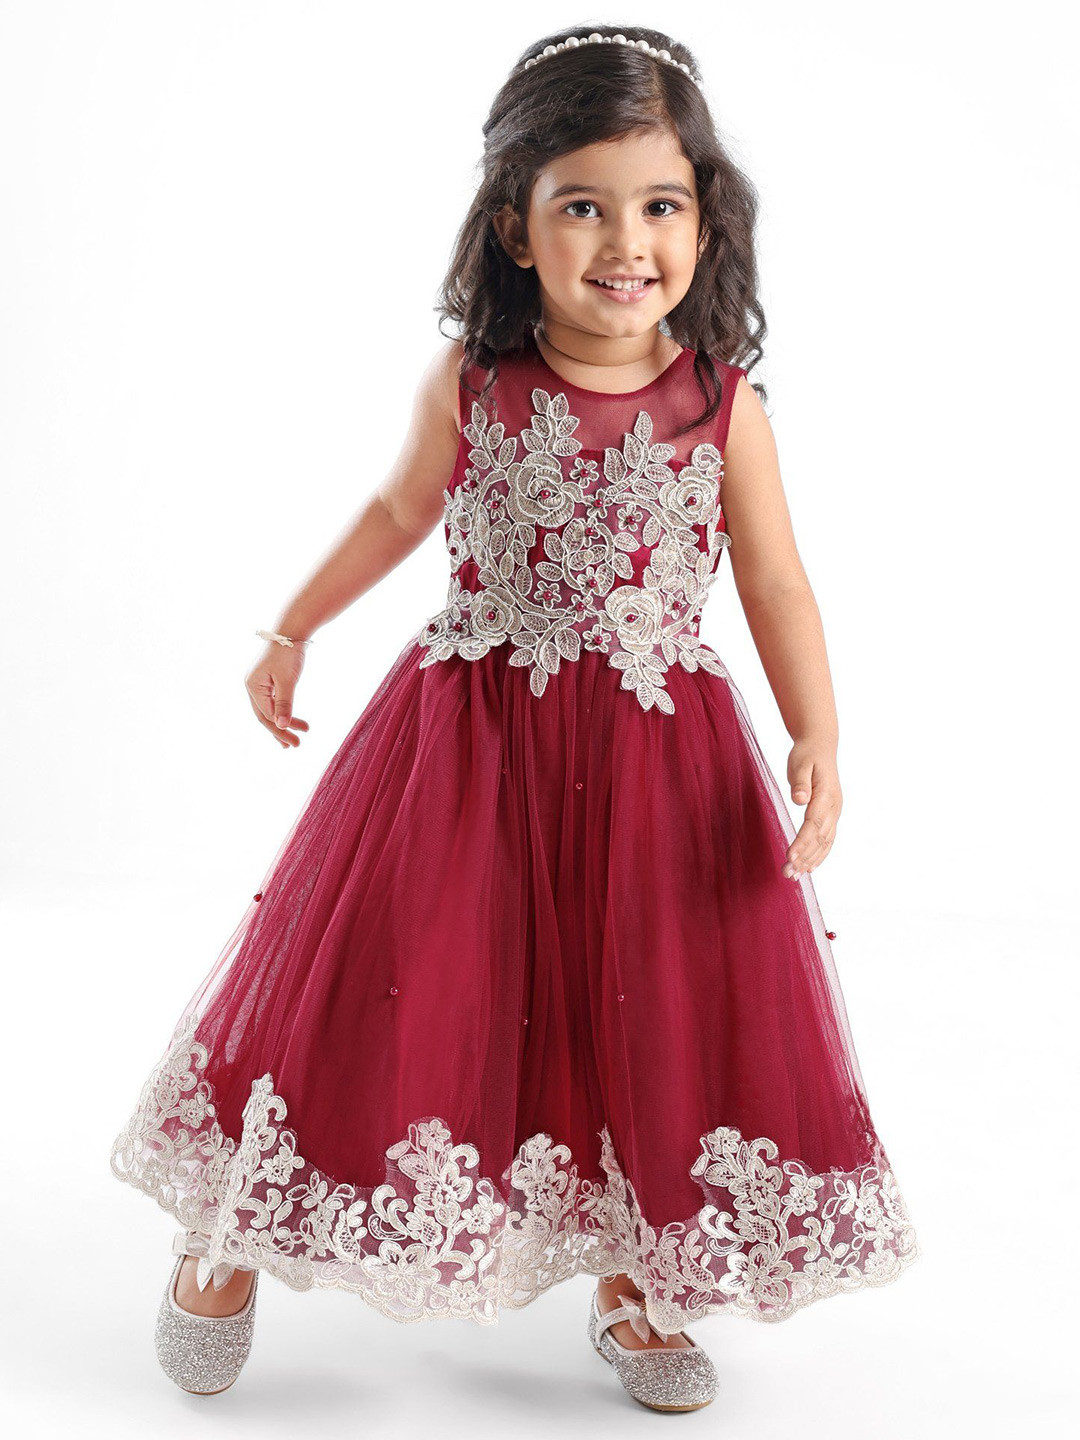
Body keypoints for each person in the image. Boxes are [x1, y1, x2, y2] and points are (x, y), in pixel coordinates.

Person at [110, 24, 920, 1413]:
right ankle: (238, 1224)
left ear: (705, 222)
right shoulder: (476, 384)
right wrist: (293, 626)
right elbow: (395, 511)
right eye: (582, 206)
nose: (626, 242)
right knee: (393, 980)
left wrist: (820, 734)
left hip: (659, 758)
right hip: (472, 747)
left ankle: (635, 1273)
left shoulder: (723, 407)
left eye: (660, 205)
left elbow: (778, 580)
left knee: (649, 1004)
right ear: (514, 226)